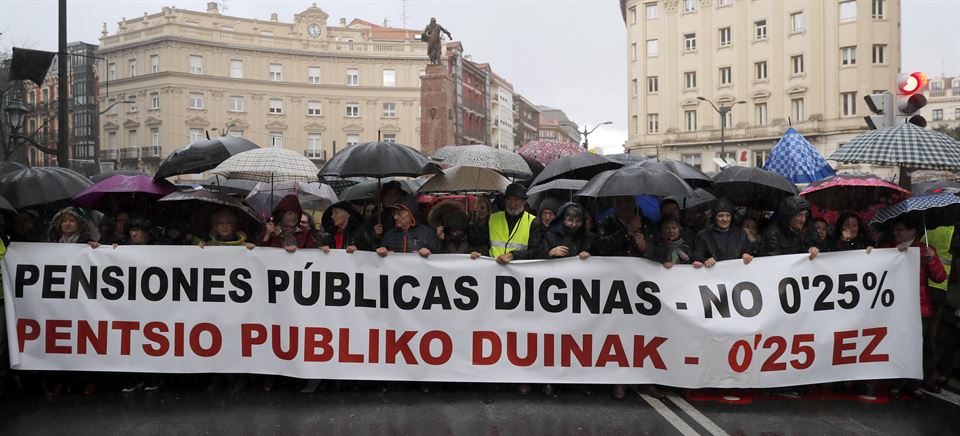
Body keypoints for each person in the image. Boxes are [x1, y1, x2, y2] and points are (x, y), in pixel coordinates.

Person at [875, 219, 947, 398]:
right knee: (898, 345)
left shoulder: (925, 250)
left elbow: (939, 278)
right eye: (896, 230)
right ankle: (896, 382)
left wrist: (932, 260)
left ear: (913, 231)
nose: (897, 234)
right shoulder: (888, 248)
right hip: (895, 308)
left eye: (901, 230)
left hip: (919, 307)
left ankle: (913, 383)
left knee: (917, 346)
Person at [470, 183, 537, 264]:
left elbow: (535, 251)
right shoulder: (492, 218)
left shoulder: (533, 221)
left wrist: (513, 255)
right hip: (494, 269)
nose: (512, 204)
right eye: (509, 199)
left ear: (524, 202)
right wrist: (478, 252)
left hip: (519, 272)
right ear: (505, 201)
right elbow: (483, 243)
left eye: (516, 200)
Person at [691, 199, 754, 267]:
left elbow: (751, 252)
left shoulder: (741, 234)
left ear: (731, 217)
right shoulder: (703, 236)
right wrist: (705, 261)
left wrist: (747, 254)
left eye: (728, 215)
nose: (724, 219)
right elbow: (697, 257)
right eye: (721, 215)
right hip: (713, 276)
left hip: (737, 275)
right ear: (715, 217)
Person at [757, 196, 823, 259]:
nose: (803, 219)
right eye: (799, 215)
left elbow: (822, 246)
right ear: (788, 216)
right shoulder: (772, 233)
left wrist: (815, 249)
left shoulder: (809, 228)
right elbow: (772, 260)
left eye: (805, 215)